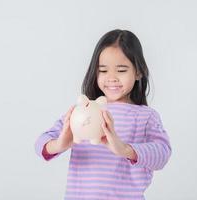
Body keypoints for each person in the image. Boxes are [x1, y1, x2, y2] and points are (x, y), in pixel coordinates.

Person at [35, 29, 171, 200]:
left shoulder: (146, 116)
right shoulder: (81, 111)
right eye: (103, 70)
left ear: (138, 72)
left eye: (121, 70)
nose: (111, 78)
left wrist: (125, 149)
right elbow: (40, 144)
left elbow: (162, 154)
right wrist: (60, 144)